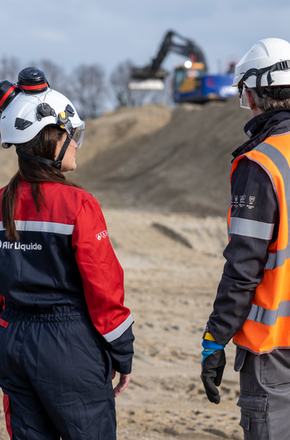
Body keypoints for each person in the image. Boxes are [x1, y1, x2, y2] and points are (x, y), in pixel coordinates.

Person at [0, 67, 134, 440]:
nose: (76, 143)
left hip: (12, 341)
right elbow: (104, 287)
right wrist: (122, 352)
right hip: (67, 346)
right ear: (51, 140)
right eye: (71, 135)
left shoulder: (1, 203)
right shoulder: (79, 205)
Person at [200, 38, 290, 439]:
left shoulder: (261, 163)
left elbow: (243, 267)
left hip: (275, 350)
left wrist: (215, 337)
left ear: (252, 95)